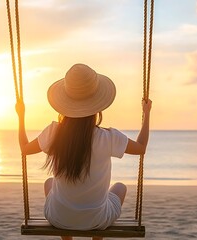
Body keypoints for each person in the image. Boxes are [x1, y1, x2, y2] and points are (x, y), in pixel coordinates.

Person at [16, 63, 152, 240]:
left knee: (49, 183)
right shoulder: (109, 137)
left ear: (65, 104)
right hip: (97, 220)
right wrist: (147, 113)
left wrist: (20, 116)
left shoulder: (54, 132)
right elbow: (141, 147)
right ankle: (97, 238)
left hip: (59, 218)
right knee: (120, 187)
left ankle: (67, 238)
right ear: (97, 106)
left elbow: (25, 149)